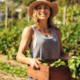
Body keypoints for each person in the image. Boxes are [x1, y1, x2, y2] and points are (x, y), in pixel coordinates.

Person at [16, 0, 76, 80]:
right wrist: (30, 60)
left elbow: (61, 54)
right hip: (38, 74)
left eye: (46, 8)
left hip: (56, 74)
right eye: (39, 8)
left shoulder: (56, 31)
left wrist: (74, 58)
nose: (43, 10)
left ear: (50, 11)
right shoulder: (30, 30)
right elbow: (19, 56)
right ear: (35, 12)